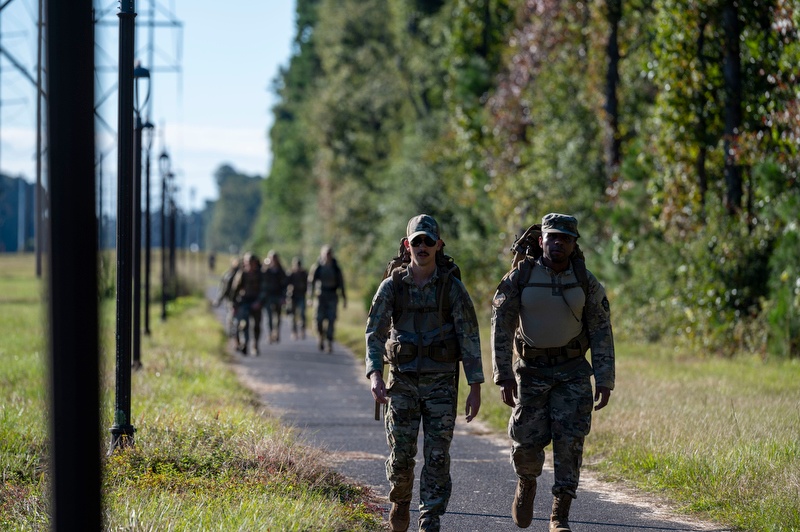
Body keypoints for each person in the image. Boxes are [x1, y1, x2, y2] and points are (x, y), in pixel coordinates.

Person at [491, 213, 615, 531]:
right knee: (525, 445)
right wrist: (503, 374)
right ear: (541, 239)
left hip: (573, 371)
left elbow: (601, 330)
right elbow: (501, 325)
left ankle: (560, 515)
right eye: (552, 237)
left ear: (574, 244)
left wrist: (604, 377)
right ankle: (527, 484)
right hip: (531, 372)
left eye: (565, 238)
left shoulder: (584, 280)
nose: (558, 242)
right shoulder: (521, 276)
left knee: (570, 443)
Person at [366, 214, 484, 532]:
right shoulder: (392, 286)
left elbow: (469, 337)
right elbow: (374, 333)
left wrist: (475, 386)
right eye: (416, 241)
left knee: (436, 455)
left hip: (441, 385)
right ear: (407, 246)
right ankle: (401, 501)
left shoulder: (452, 289)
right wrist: (375, 375)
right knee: (401, 455)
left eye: (428, 241)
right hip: (402, 382)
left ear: (439, 245)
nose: (422, 246)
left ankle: (429, 517)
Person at [309, 245, 346, 352]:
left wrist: (344, 299)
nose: (327, 256)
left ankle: (329, 341)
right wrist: (310, 297)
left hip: (332, 296)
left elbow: (341, 284)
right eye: (326, 253)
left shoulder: (336, 268)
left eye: (329, 253)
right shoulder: (317, 267)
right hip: (320, 296)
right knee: (318, 319)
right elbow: (311, 283)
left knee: (331, 320)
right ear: (322, 254)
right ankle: (320, 336)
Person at [230, 252, 266, 355]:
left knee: (256, 326)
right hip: (244, 302)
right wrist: (234, 305)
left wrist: (259, 302)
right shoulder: (242, 274)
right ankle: (245, 343)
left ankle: (255, 345)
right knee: (243, 324)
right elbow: (234, 290)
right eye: (247, 262)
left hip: (256, 302)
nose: (249, 264)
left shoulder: (260, 275)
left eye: (251, 262)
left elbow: (264, 290)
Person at [213, 256, 242, 340]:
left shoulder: (244, 274)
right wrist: (218, 300)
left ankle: (236, 335)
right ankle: (232, 334)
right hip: (231, 300)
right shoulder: (228, 275)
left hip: (241, 301)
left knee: (238, 319)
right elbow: (223, 289)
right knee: (232, 317)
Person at [263, 250, 288, 343]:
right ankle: (270, 334)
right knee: (268, 316)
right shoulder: (266, 270)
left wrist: (284, 297)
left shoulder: (281, 271)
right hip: (268, 296)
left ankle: (276, 332)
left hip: (278, 295)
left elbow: (285, 285)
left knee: (277, 316)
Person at [286, 256, 309, 340]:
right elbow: (286, 284)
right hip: (293, 297)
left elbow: (308, 284)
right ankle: (294, 331)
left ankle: (303, 330)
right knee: (293, 315)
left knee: (302, 313)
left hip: (301, 296)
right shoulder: (291, 273)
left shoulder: (304, 273)